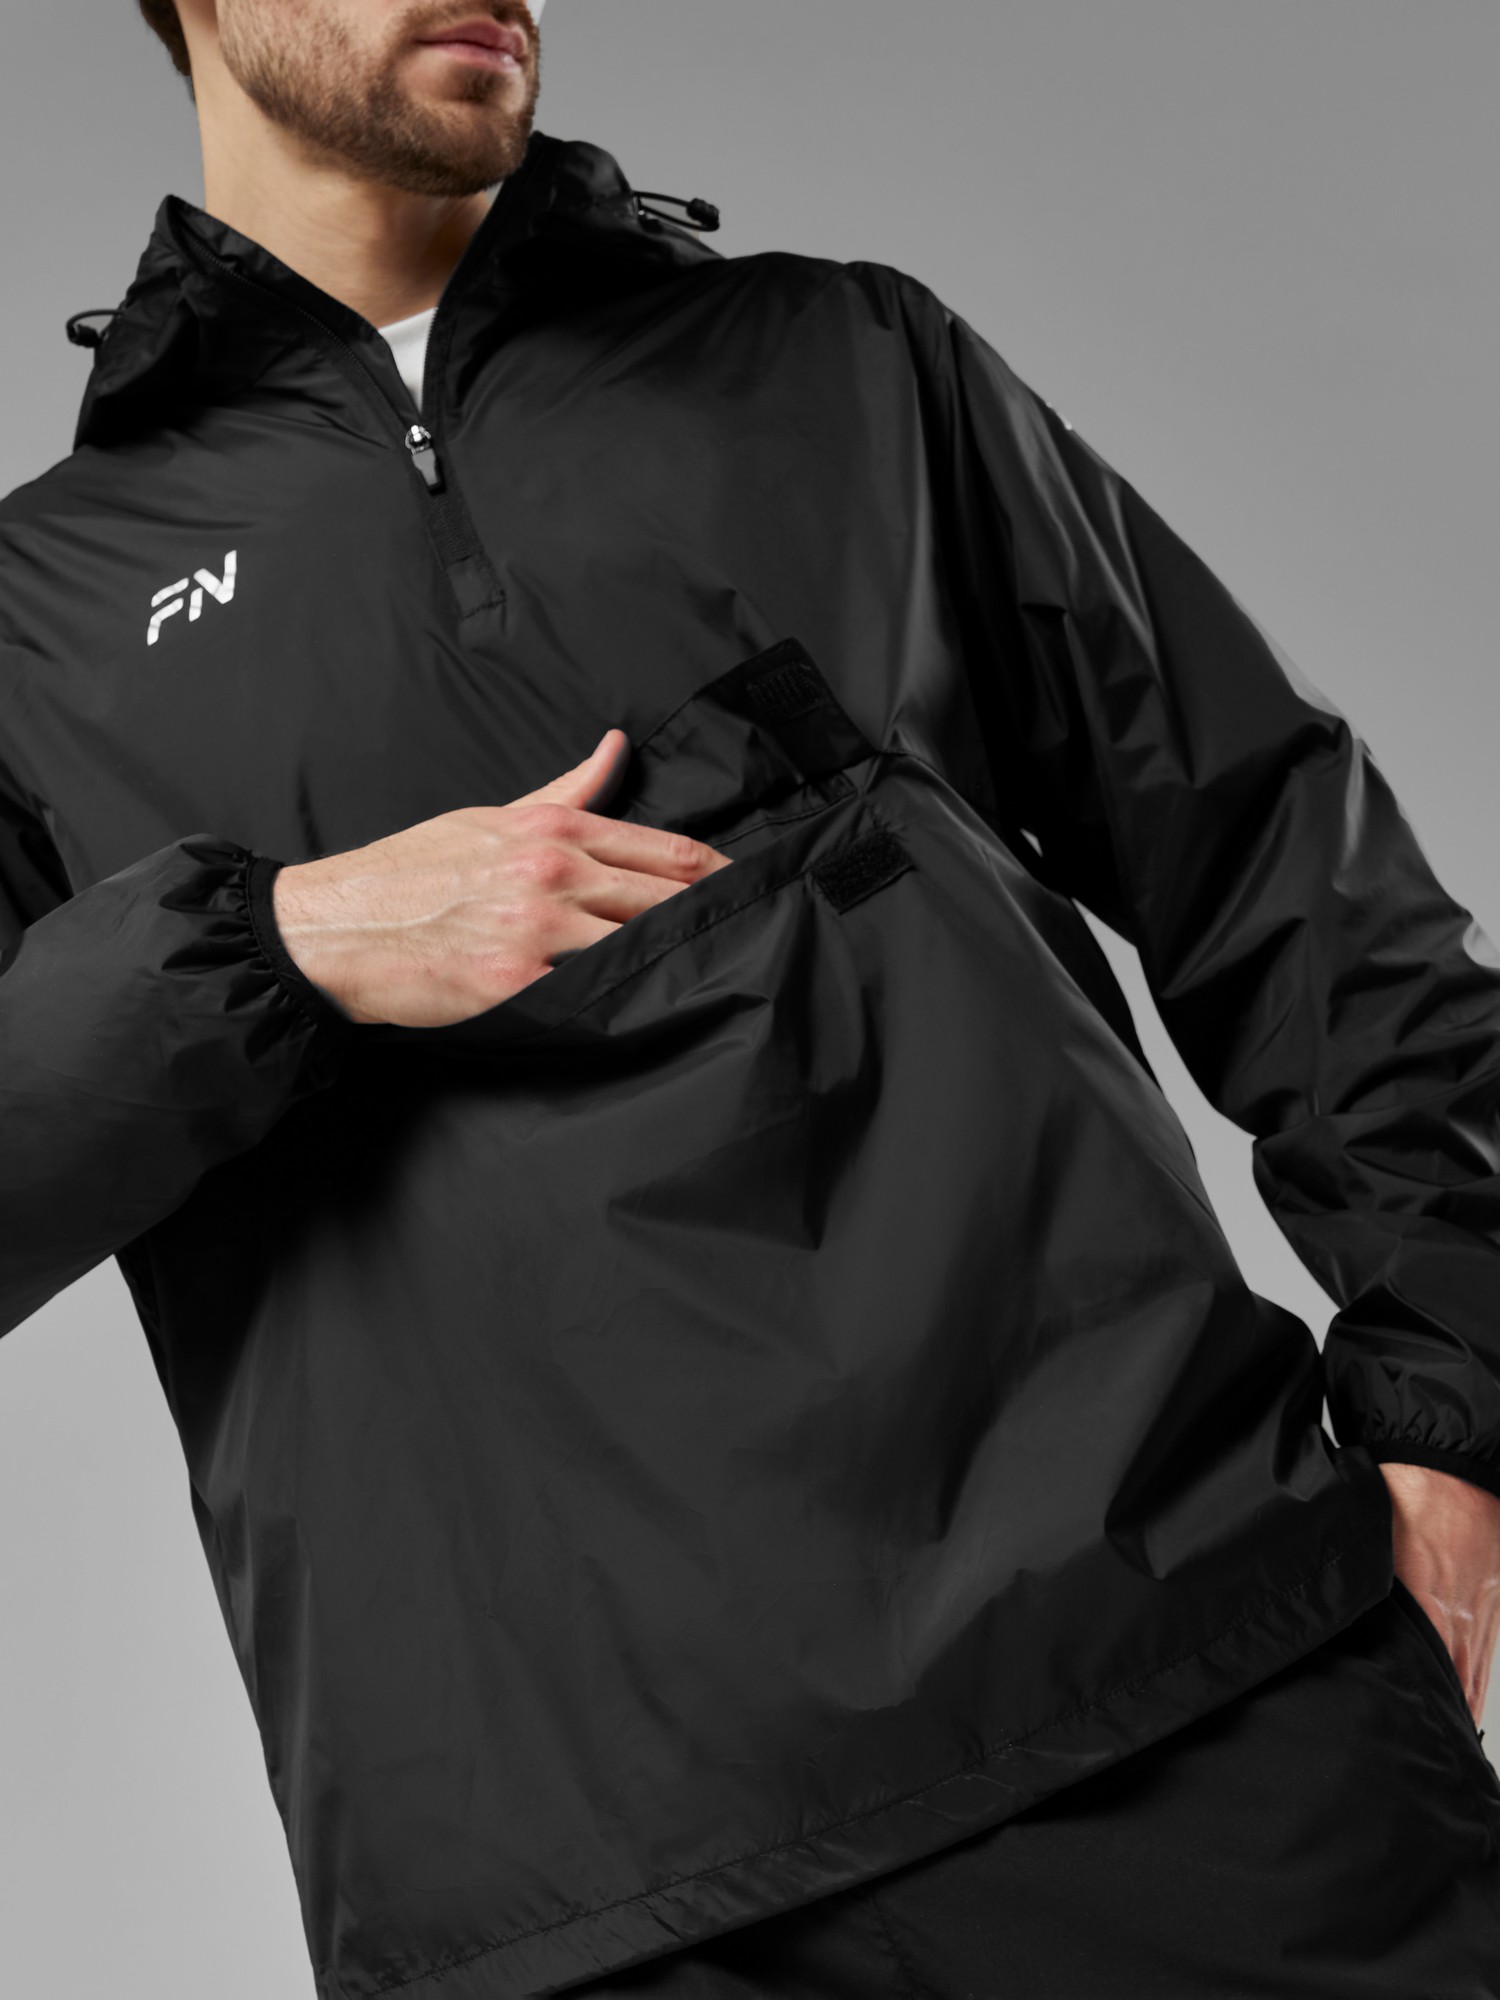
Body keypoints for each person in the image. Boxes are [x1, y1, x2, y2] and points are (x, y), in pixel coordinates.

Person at [4, 1, 1499, 1993]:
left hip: (1198, 1706)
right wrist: (271, 944)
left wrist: (1457, 1408)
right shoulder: (38, 620)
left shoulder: (846, 360)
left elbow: (1282, 856)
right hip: (561, 1892)